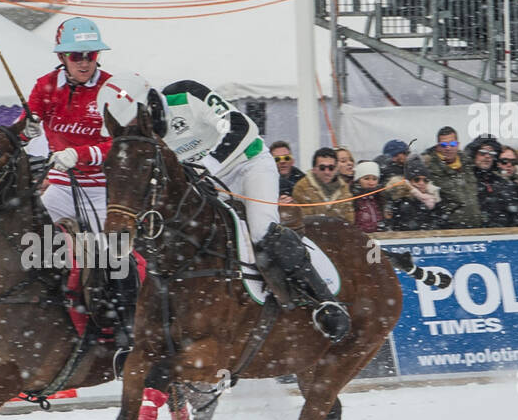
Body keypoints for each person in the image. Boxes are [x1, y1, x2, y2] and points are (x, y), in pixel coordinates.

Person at [157, 82, 350, 341]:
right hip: (209, 182)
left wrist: (208, 165)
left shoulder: (185, 95)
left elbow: (241, 127)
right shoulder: (139, 132)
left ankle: (326, 302)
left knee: (261, 230)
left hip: (248, 163)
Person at [23, 17, 136, 340]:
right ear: (62, 58)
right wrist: (26, 129)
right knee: (30, 245)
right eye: (77, 56)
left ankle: (125, 328)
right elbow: (24, 125)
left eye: (91, 55)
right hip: (60, 186)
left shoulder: (113, 89)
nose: (85, 62)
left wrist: (82, 154)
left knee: (115, 256)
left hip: (103, 190)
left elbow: (122, 142)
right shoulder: (45, 86)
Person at [422, 126, 481, 227]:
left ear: (458, 145)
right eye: (444, 144)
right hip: (450, 230)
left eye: (452, 144)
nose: (448, 148)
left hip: (476, 227)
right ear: (438, 147)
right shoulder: (429, 169)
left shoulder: (469, 164)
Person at [467, 135, 518, 228]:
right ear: (474, 155)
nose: (487, 156)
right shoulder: (465, 182)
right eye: (482, 152)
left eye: (491, 153)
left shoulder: (506, 185)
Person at [386, 157, 455, 231]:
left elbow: (443, 222)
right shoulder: (402, 201)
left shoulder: (434, 198)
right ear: (409, 182)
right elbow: (409, 227)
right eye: (417, 180)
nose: (421, 183)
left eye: (425, 180)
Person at [292, 147, 355, 225]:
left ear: (336, 169)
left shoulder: (344, 190)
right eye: (322, 168)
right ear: (314, 169)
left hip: (339, 234)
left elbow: (349, 220)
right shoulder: (302, 188)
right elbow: (301, 219)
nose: (327, 172)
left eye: (331, 168)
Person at [351, 161, 385, 234]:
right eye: (366, 179)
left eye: (374, 179)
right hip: (359, 239)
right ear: (358, 180)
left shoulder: (381, 197)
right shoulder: (352, 197)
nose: (371, 182)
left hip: (380, 239)